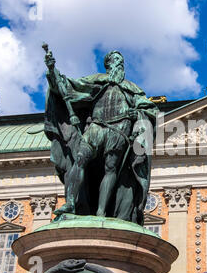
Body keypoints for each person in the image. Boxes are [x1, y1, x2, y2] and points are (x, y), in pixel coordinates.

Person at [43, 49, 158, 224]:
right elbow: (68, 87)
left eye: (121, 61)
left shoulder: (132, 88)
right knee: (80, 159)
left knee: (111, 168)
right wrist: (53, 73)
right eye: (115, 60)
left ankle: (102, 212)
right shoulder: (97, 80)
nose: (119, 63)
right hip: (96, 126)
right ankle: (71, 204)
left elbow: (149, 110)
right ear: (108, 64)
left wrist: (139, 115)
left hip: (120, 130)